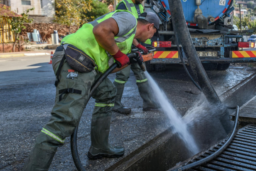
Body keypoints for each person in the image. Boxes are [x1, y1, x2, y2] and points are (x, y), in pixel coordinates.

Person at [23, 11, 159, 171]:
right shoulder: (129, 19)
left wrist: (128, 58)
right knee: (64, 120)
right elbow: (100, 30)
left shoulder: (126, 36)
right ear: (150, 26)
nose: (151, 38)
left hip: (85, 63)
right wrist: (119, 54)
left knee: (107, 92)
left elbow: (109, 68)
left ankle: (99, 147)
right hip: (74, 58)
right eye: (153, 34)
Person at [113, 0, 158, 114]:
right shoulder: (123, 5)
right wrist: (138, 45)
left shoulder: (139, 5)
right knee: (123, 75)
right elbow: (126, 29)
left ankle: (148, 102)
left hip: (135, 45)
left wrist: (141, 45)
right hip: (126, 46)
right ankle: (116, 104)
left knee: (141, 74)